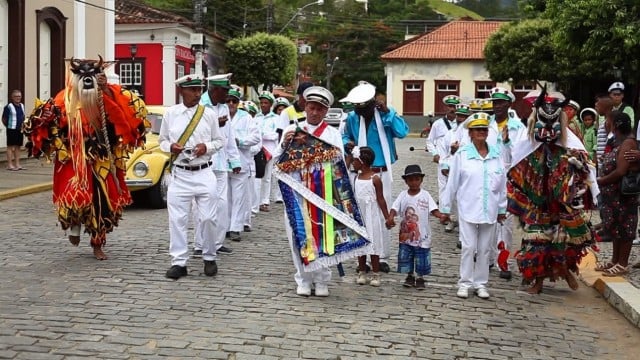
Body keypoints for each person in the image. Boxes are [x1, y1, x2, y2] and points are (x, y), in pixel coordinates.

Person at [22, 58, 147, 260]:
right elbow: (45, 125)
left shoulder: (107, 96)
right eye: (83, 76)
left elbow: (127, 119)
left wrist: (106, 91)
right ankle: (74, 224)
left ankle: (97, 243)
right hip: (73, 158)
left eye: (92, 76)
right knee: (75, 196)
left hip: (101, 159)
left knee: (101, 202)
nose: (88, 80)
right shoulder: (64, 99)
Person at [508, 89, 599, 294]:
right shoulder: (528, 143)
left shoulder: (570, 144)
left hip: (562, 203)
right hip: (537, 202)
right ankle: (538, 282)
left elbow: (587, 169)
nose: (548, 128)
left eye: (553, 122)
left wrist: (587, 188)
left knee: (564, 240)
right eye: (544, 121)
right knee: (536, 240)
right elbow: (513, 165)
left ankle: (565, 270)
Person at [273, 86, 343, 297]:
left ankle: (322, 279)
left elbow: (340, 165)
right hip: (295, 191)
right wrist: (285, 145)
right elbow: (276, 161)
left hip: (322, 193)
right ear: (305, 107)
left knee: (323, 236)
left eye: (320, 109)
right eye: (311, 107)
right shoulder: (292, 130)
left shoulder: (332, 133)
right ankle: (303, 278)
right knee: (298, 236)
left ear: (325, 111)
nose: (314, 112)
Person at [159, 74, 224, 279]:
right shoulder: (171, 114)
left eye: (199, 89)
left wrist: (207, 147)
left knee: (207, 218)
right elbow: (162, 140)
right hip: (180, 174)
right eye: (192, 89)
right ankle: (179, 262)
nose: (197, 93)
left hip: (204, 172)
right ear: (182, 91)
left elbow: (219, 141)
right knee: (177, 220)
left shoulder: (208, 114)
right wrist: (171, 147)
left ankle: (209, 256)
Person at [342, 81, 410, 273]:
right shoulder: (353, 118)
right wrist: (347, 144)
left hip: (381, 172)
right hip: (360, 174)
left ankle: (379, 256)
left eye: (364, 108)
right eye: (357, 108)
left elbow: (402, 132)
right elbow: (345, 136)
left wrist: (388, 113)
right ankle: (361, 257)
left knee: (381, 213)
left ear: (373, 104)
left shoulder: (386, 115)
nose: (360, 112)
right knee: (360, 214)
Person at [440, 114, 507, 299]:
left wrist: (502, 208)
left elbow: (502, 184)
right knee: (469, 247)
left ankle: (481, 283)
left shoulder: (496, 154)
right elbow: (452, 182)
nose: (482, 133)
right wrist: (445, 208)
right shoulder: (462, 154)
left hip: (490, 208)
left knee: (485, 248)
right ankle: (465, 282)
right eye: (478, 130)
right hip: (468, 207)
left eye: (484, 129)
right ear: (470, 133)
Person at [199, 74, 240, 253]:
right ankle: (200, 244)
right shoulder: (199, 104)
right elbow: (196, 133)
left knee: (222, 204)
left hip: (222, 163)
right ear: (216, 90)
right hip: (203, 163)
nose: (228, 98)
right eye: (225, 92)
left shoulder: (223, 108)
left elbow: (229, 136)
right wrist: (215, 123)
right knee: (202, 206)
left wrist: (235, 159)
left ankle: (217, 242)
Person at [386, 165, 445, 290]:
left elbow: (433, 210)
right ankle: (409, 275)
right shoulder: (403, 195)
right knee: (407, 256)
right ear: (406, 181)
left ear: (421, 180)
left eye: (416, 179)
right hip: (406, 236)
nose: (414, 182)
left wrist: (441, 216)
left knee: (421, 257)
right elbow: (394, 208)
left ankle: (420, 277)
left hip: (422, 236)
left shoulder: (426, 195)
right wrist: (390, 217)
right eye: (411, 180)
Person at [595, 111, 639, 276]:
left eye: (608, 121)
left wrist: (600, 181)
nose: (606, 124)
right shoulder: (617, 141)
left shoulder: (628, 143)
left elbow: (621, 171)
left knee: (625, 228)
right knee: (615, 229)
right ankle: (614, 260)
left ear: (616, 125)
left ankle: (622, 263)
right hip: (613, 197)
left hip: (623, 196)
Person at [352, 146, 390, 287]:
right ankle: (362, 271)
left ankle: (375, 273)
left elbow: (381, 199)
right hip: (360, 216)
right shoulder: (356, 177)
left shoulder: (375, 179)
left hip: (372, 214)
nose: (353, 164)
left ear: (362, 162)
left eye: (355, 161)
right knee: (361, 243)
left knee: (374, 243)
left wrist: (387, 217)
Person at [226, 88, 261, 237]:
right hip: (223, 163)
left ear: (238, 103)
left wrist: (240, 141)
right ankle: (226, 227)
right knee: (225, 198)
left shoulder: (246, 117)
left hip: (240, 162)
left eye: (234, 101)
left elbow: (255, 138)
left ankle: (236, 228)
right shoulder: (219, 115)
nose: (231, 103)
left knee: (239, 197)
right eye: (228, 100)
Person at [254, 91, 279, 213]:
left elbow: (275, 135)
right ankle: (256, 201)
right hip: (257, 150)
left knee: (267, 177)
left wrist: (261, 134)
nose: (263, 105)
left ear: (271, 105)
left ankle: (264, 201)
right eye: (261, 102)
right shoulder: (256, 117)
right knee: (257, 175)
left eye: (266, 103)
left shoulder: (276, 119)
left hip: (270, 151)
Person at [2, 89, 25, 170]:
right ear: (12, 97)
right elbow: (4, 119)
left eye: (19, 96)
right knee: (10, 147)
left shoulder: (22, 105)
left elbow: (22, 117)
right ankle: (10, 165)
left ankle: (17, 164)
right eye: (16, 96)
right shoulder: (8, 106)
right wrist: (8, 126)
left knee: (18, 147)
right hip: (11, 129)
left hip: (20, 129)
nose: (18, 98)